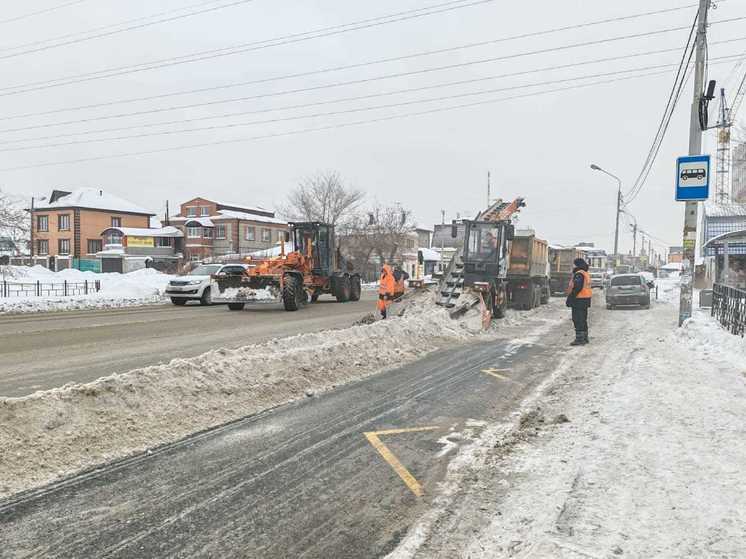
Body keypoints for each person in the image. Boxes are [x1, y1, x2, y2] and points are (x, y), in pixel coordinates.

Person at [566, 257, 592, 345]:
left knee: (578, 319)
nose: (573, 266)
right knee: (583, 319)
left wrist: (570, 298)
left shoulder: (579, 274)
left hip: (579, 300)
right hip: (585, 299)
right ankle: (584, 337)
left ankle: (580, 339)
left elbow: (577, 287)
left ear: (577, 265)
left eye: (574, 264)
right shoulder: (585, 273)